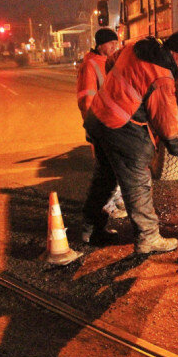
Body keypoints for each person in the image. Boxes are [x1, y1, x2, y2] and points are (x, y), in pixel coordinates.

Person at [82, 30, 178, 254]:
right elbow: (165, 116)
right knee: (137, 182)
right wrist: (174, 142)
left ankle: (90, 229)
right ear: (174, 52)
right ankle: (148, 238)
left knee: (105, 178)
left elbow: (111, 62)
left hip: (98, 117)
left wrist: (122, 91)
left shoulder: (137, 46)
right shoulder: (162, 76)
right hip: (119, 125)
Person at [76, 28, 127, 236]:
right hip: (101, 125)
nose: (115, 46)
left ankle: (113, 203)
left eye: (117, 42)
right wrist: (92, 126)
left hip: (112, 125)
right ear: (100, 45)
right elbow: (87, 99)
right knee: (105, 170)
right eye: (111, 43)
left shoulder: (108, 63)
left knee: (112, 166)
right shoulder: (90, 65)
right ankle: (105, 210)